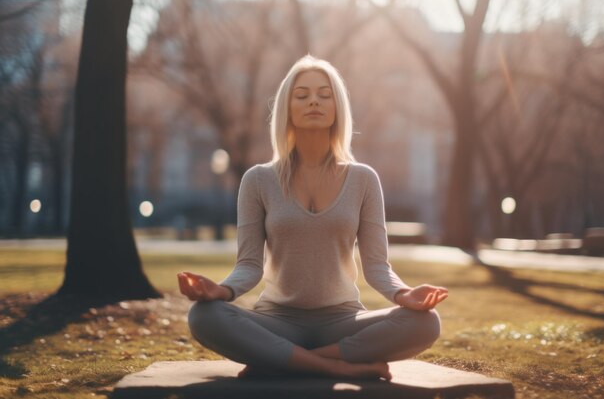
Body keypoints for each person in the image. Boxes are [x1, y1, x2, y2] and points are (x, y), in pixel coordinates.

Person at [178, 55, 448, 381]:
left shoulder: (363, 179)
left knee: (426, 322)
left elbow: (377, 267)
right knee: (204, 316)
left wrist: (405, 295)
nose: (314, 102)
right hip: (276, 321)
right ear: (287, 109)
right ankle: (335, 366)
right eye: (302, 95)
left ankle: (281, 361)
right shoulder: (258, 180)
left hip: (343, 321)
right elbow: (249, 266)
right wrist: (219, 292)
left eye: (324, 94)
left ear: (338, 106)